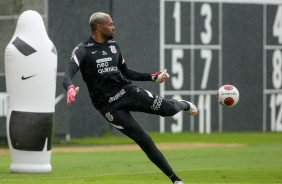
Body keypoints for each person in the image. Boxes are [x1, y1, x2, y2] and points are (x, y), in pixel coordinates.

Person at [62, 12, 198, 184]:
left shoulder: (114, 47)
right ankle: (176, 180)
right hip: (108, 107)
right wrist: (70, 87)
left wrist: (151, 76)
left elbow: (125, 72)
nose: (114, 27)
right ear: (99, 27)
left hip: (127, 91)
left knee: (169, 110)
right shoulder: (82, 50)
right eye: (110, 24)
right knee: (143, 139)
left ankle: (184, 104)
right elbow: (67, 76)